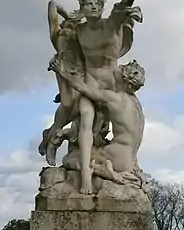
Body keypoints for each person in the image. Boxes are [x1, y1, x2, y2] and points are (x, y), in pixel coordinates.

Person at [72, 0, 148, 194]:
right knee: (86, 117)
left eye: (97, 3)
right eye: (88, 4)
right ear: (83, 7)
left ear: (102, 6)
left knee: (128, 119)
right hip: (91, 81)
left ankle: (117, 164)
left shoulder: (112, 24)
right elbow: (61, 39)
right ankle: (86, 176)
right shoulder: (79, 31)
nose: (93, 7)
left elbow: (128, 0)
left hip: (112, 83)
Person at [49, 58, 145, 189]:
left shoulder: (115, 98)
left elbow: (82, 87)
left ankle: (103, 171)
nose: (117, 67)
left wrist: (61, 72)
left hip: (117, 156)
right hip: (130, 160)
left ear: (123, 78)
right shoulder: (135, 103)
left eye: (121, 68)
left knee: (70, 159)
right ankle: (104, 169)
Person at [38, 0, 85, 165]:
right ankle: (52, 144)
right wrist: (67, 16)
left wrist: (80, 18)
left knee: (77, 111)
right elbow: (52, 5)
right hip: (62, 68)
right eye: (67, 25)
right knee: (67, 104)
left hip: (80, 73)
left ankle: (49, 135)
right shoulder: (57, 34)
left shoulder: (81, 34)